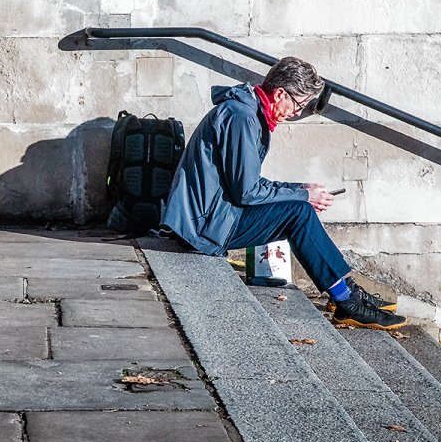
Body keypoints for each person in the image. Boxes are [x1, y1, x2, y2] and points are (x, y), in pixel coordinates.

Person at [160, 57, 407, 330]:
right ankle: (346, 300)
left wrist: (299, 189)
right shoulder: (242, 118)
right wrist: (302, 195)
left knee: (298, 206)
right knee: (298, 212)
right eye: (299, 105)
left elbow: (243, 183)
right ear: (279, 94)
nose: (296, 113)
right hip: (204, 227)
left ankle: (346, 293)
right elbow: (247, 192)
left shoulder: (247, 111)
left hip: (216, 214)